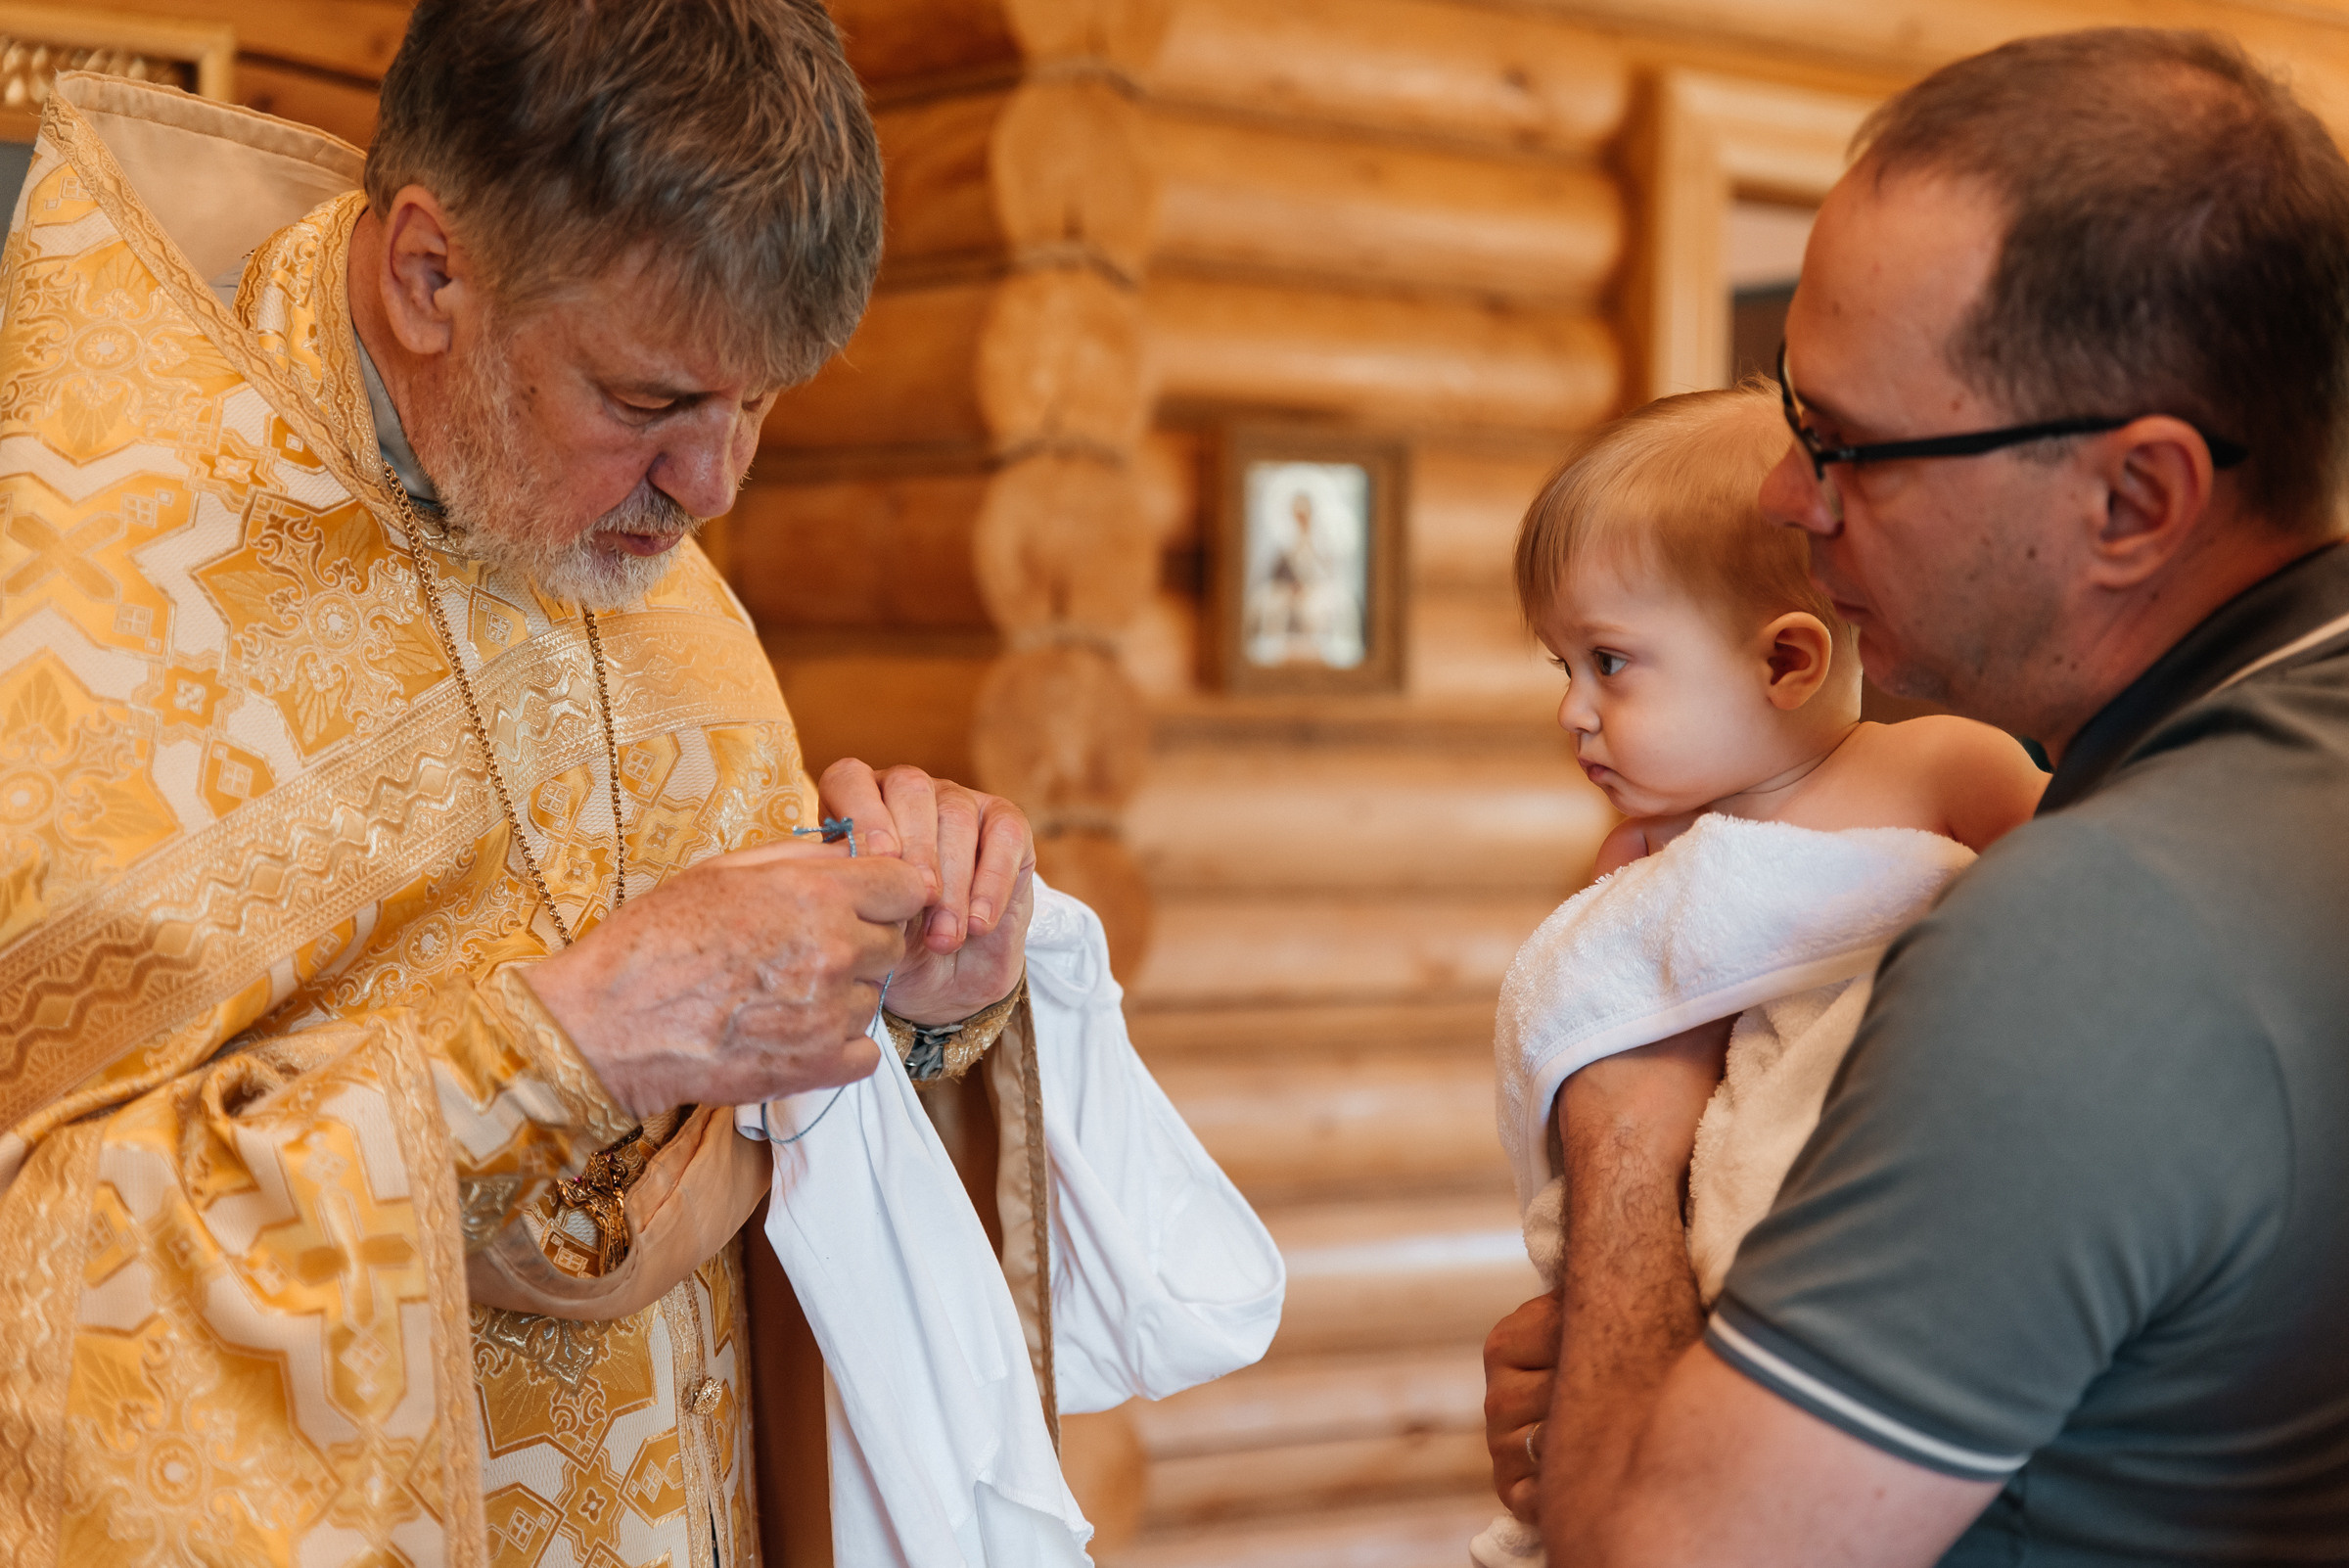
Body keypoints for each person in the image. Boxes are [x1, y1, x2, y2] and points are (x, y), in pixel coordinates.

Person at [0, 5, 1280, 1565]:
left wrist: (929, 1001)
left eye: (761, 405)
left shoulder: (642, 564)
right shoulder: (68, 592)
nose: (717, 488)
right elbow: (44, 1246)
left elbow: (778, 1137)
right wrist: (563, 1043)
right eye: (655, 403)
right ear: (430, 276)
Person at [1483, 27, 2349, 1567]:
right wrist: (1645, 1385)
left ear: (2134, 499)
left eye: (1849, 447)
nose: (1781, 494)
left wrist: (1626, 1134)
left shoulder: (2102, 925)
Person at [1471, 386, 2040, 1567]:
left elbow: (2067, 933)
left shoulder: (1943, 765)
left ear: (1786, 660)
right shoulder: (1644, 865)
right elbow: (1605, 1038)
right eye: (1562, 665)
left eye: (1611, 662)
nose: (1574, 712)